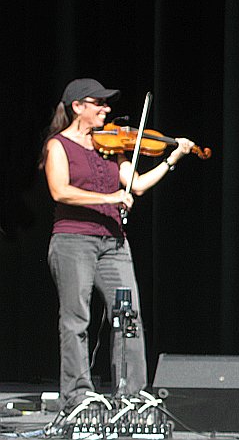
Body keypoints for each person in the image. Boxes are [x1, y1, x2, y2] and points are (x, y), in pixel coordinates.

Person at [39, 78, 196, 410]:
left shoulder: (111, 146)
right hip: (73, 240)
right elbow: (60, 191)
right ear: (78, 107)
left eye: (107, 104)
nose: (107, 110)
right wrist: (109, 196)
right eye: (99, 103)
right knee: (76, 319)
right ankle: (78, 396)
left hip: (113, 242)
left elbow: (136, 185)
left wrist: (173, 158)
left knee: (129, 317)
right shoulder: (58, 145)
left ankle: (131, 393)